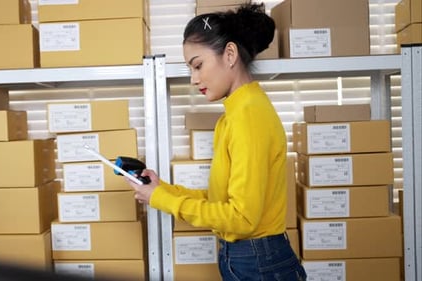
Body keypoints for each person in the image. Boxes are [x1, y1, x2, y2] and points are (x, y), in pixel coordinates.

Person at [126, 2, 307, 281]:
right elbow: (220, 201)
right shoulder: (234, 114)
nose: (193, 79)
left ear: (230, 54)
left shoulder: (249, 117)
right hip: (248, 259)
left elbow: (242, 219)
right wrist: (164, 190)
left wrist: (161, 199)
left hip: (258, 263)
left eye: (198, 65)